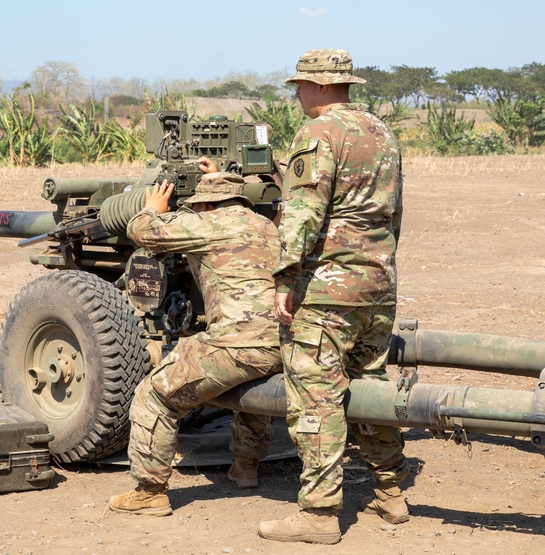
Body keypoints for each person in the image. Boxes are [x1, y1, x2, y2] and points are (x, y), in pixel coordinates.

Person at [257, 49, 408, 544]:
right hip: (377, 285)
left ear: (321, 86)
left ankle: (319, 514)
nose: (297, 93)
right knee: (371, 388)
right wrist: (378, 268)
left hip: (326, 291)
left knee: (316, 398)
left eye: (300, 84)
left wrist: (285, 276)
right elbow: (394, 215)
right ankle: (390, 492)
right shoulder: (383, 132)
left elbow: (302, 212)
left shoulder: (319, 132)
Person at [107, 173, 283, 516]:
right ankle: (245, 466)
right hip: (281, 341)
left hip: (237, 342)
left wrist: (152, 208)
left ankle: (149, 491)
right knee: (251, 384)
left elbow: (142, 231)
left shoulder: (207, 223)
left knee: (155, 394)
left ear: (204, 206)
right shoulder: (265, 225)